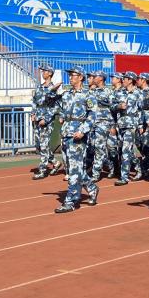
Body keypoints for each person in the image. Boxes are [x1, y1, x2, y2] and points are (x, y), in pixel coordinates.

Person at [51, 66, 98, 213]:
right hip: (66, 134)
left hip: (78, 135)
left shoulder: (88, 95)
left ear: (81, 77)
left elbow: (92, 115)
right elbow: (56, 105)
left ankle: (71, 201)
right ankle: (91, 187)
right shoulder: (67, 94)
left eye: (73, 75)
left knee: (74, 170)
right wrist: (62, 116)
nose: (70, 77)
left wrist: (83, 131)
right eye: (70, 75)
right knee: (73, 168)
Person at [30, 64, 61, 179]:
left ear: (50, 73)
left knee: (43, 145)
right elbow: (34, 101)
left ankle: (42, 170)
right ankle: (55, 162)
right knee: (39, 145)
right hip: (37, 118)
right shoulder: (40, 87)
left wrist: (46, 119)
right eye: (42, 71)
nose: (43, 73)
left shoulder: (53, 88)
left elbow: (55, 107)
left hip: (46, 121)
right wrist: (33, 114)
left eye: (45, 71)